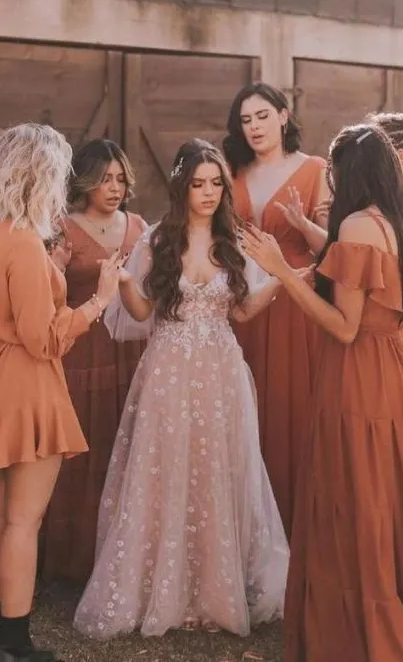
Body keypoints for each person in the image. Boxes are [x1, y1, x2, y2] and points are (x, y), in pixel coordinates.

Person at [73, 138, 289, 639]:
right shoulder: (157, 239)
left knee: (218, 466)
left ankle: (213, 589)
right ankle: (161, 588)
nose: (210, 192)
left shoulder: (232, 240)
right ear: (182, 187)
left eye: (216, 183)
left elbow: (240, 312)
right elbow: (145, 314)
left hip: (221, 371)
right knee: (166, 466)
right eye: (199, 184)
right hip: (168, 368)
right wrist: (126, 281)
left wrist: (281, 279)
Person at [241, 123, 403, 662]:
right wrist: (306, 247)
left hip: (357, 377)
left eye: (332, 171)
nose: (327, 183)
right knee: (379, 494)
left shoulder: (358, 225)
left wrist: (280, 272)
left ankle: (355, 635)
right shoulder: (387, 221)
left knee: (354, 499)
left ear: (348, 172)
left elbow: (344, 326)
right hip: (386, 372)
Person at [0, 125, 126, 662]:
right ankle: (14, 642)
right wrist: (98, 302)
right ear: (44, 174)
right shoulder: (24, 241)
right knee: (22, 521)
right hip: (26, 387)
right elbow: (44, 337)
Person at [223, 82, 329, 539]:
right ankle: (252, 533)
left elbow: (331, 248)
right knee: (251, 408)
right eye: (246, 120)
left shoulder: (315, 169)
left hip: (295, 298)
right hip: (246, 300)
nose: (254, 127)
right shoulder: (232, 171)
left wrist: (301, 225)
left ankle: (297, 525)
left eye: (263, 116)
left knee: (293, 405)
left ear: (284, 116)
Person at [42, 139, 147, 585]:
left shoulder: (139, 226)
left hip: (129, 351)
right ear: (84, 180)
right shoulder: (62, 228)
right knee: (79, 450)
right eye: (105, 178)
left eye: (120, 178)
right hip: (80, 351)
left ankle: (118, 558)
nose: (115, 187)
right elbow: (46, 295)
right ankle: (70, 559)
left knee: (119, 445)